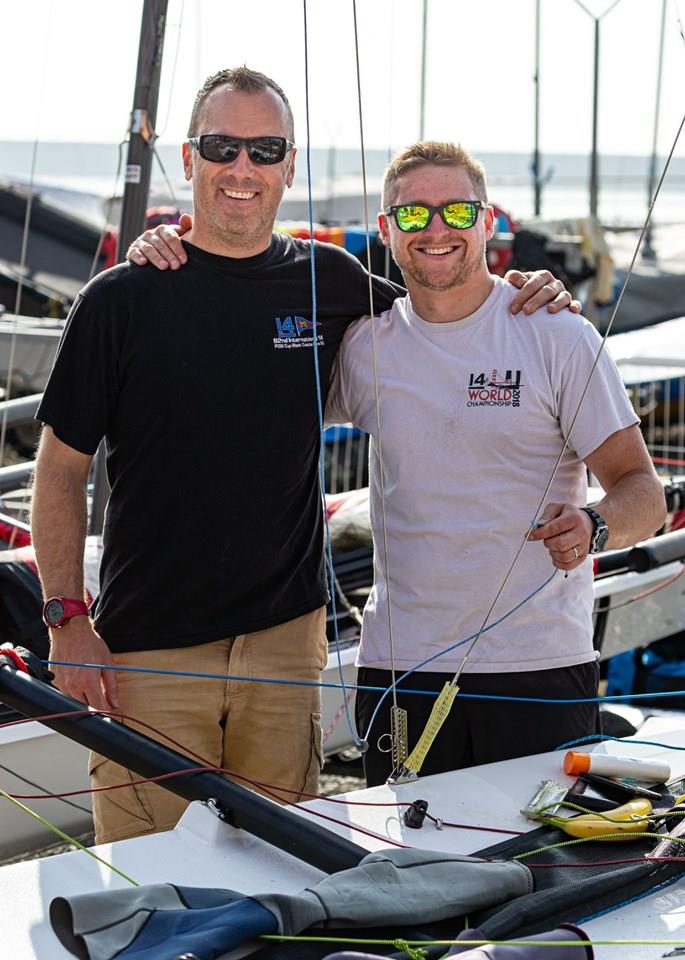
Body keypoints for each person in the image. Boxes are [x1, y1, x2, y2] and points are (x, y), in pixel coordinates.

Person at [32, 67, 577, 845]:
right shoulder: (120, 299)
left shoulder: (330, 280)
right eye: (223, 147)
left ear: (291, 166)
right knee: (151, 882)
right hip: (147, 650)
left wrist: (528, 290)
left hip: (285, 645)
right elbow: (59, 470)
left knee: (284, 866)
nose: (242, 168)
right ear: (189, 161)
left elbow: (446, 308)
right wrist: (64, 621)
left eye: (265, 148)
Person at [324, 141, 666, 786]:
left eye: (456, 213)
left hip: (538, 665)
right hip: (402, 667)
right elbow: (255, 416)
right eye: (413, 214)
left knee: (538, 869)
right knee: (407, 870)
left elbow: (641, 492)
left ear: (487, 223)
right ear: (387, 230)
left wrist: (594, 528)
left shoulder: (556, 333)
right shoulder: (366, 345)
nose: (434, 230)